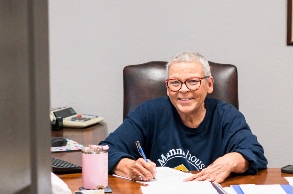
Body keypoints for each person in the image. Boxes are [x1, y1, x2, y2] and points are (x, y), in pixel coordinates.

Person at [99, 51, 267, 183]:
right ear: (167, 87)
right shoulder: (149, 112)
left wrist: (232, 160)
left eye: (193, 81)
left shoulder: (226, 115)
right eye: (175, 82)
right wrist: (129, 167)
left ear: (209, 85)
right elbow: (104, 151)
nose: (183, 89)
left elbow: (255, 153)